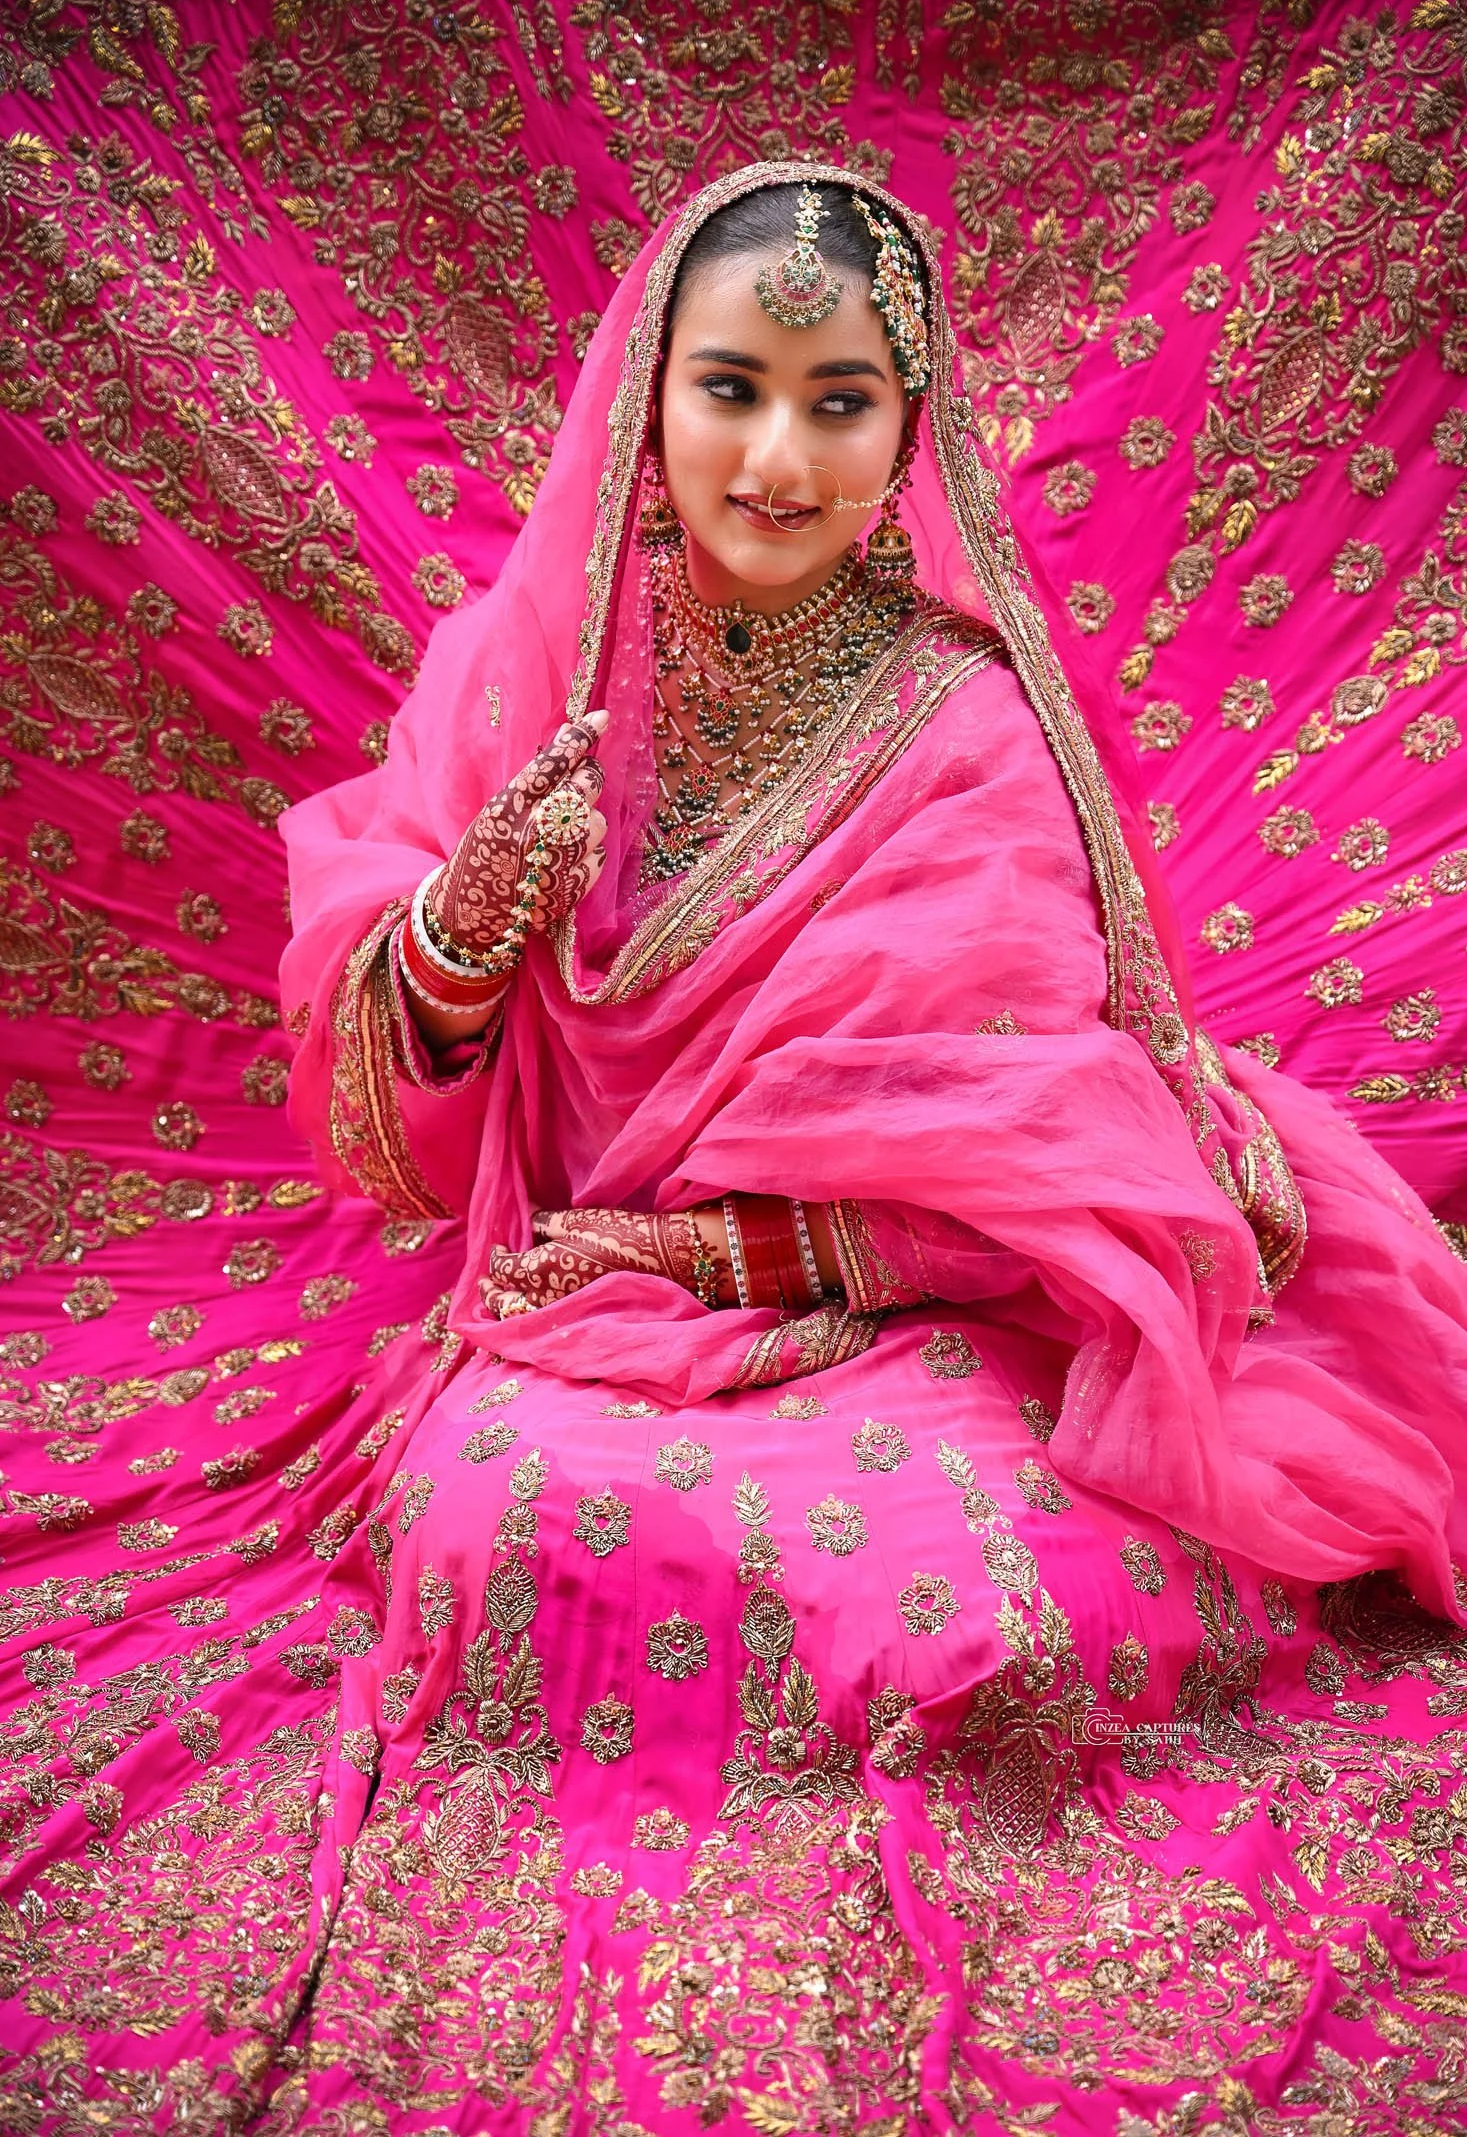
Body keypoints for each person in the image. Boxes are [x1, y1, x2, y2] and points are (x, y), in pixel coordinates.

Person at [4, 163, 1467, 2134]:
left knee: (971, 1590)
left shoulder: (960, 722)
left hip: (922, 1297)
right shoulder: (529, 677)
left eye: (839, 399)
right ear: (645, 395)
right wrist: (452, 949)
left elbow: (1037, 1141)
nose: (777, 453)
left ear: (904, 426)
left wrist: (719, 1259)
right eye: (732, 386)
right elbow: (404, 1133)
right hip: (581, 1303)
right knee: (498, 1513)